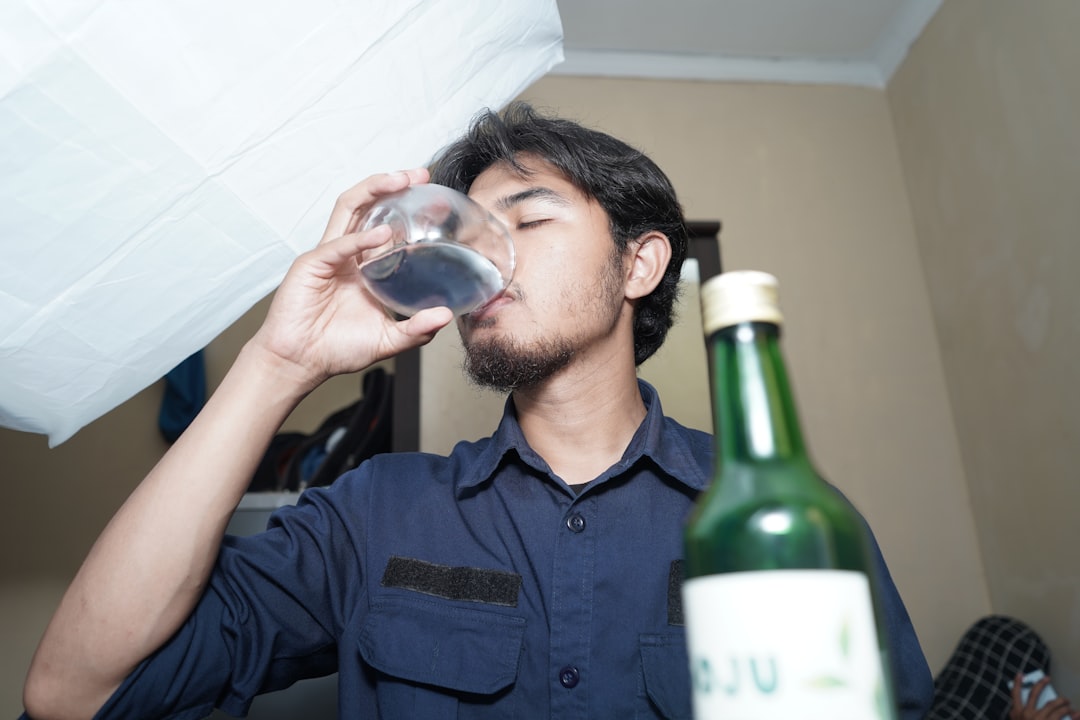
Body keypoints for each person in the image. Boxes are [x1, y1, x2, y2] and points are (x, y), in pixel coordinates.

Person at [22, 102, 934, 719]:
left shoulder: (778, 519)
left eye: (527, 222)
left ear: (640, 265)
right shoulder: (374, 511)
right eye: (467, 235)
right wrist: (278, 364)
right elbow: (74, 692)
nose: (487, 261)